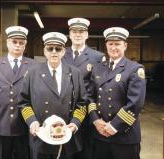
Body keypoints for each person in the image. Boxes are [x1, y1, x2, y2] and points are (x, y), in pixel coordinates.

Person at [18, 32, 87, 159]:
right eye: (50, 48)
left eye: (58, 48)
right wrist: (32, 121)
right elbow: (24, 102)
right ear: (45, 51)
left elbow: (82, 103)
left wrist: (75, 123)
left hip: (67, 135)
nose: (54, 52)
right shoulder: (33, 73)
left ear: (63, 52)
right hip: (41, 135)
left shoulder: (75, 73)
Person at [88, 27, 146, 159]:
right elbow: (90, 97)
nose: (113, 47)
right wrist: (96, 121)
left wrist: (114, 126)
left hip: (124, 136)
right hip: (100, 134)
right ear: (106, 45)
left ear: (125, 45)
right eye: (110, 44)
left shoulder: (135, 69)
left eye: (117, 44)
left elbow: (135, 103)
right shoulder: (98, 68)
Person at [0, 26, 36, 159]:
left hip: (25, 124)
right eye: (14, 41)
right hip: (2, 124)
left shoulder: (34, 66)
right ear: (8, 42)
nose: (17, 45)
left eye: (21, 43)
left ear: (25, 45)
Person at [62, 17, 104, 159]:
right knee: (65, 151)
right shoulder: (60, 53)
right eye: (74, 31)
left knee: (86, 151)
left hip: (86, 112)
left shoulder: (98, 57)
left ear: (87, 35)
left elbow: (99, 87)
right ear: (70, 34)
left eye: (81, 31)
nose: (78, 34)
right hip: (64, 111)